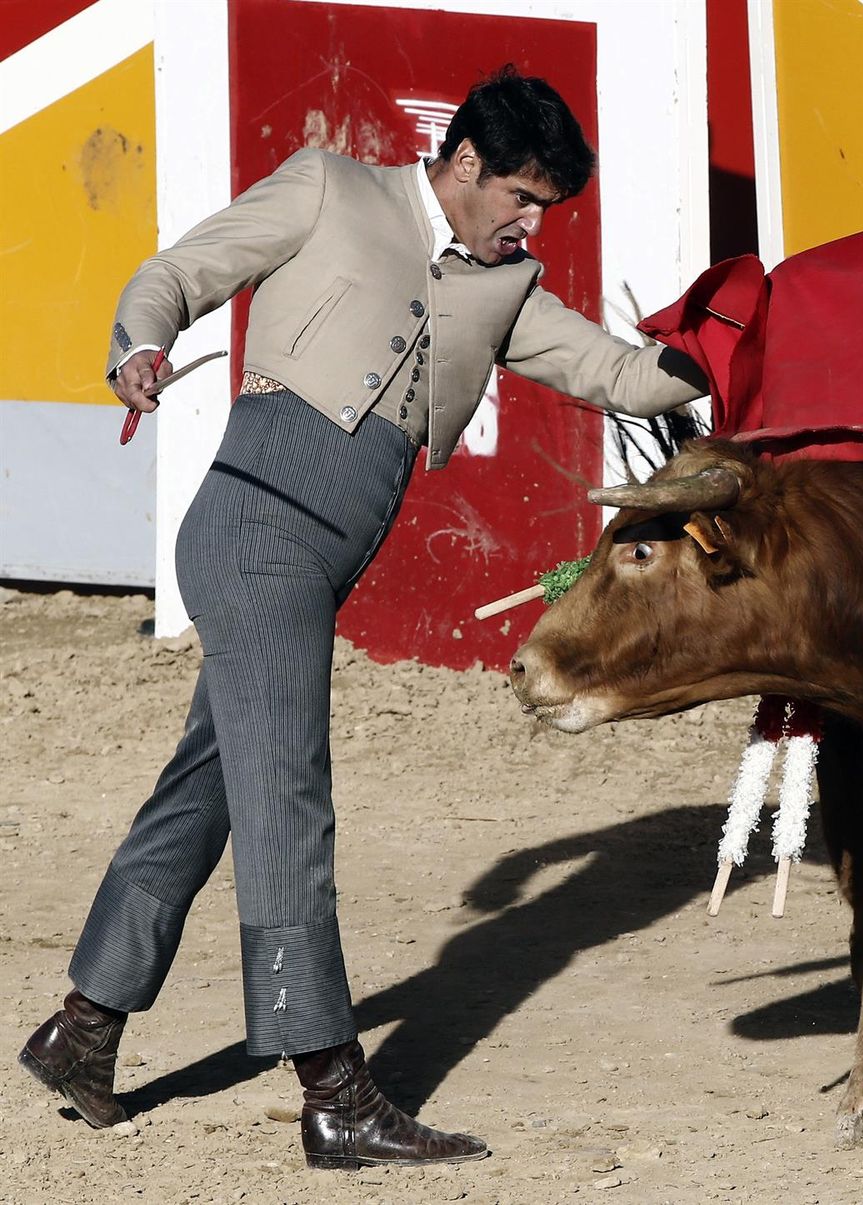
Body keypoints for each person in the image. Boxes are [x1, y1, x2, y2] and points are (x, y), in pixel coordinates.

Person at [18, 66, 705, 1171]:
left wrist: (703, 363)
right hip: (255, 531)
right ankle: (333, 1087)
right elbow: (177, 274)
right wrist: (138, 346)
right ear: (467, 163)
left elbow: (613, 370)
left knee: (210, 790)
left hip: (311, 562)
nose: (531, 225)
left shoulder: (505, 286)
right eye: (521, 199)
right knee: (289, 790)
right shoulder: (331, 188)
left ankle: (82, 1029)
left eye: (546, 210)